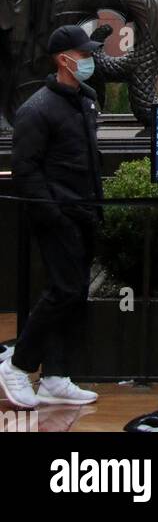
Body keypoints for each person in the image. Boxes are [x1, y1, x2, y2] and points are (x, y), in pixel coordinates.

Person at [0, 25, 103, 408]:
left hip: (85, 212)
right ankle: (17, 365)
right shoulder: (37, 109)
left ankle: (56, 376)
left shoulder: (86, 100)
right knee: (63, 290)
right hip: (58, 215)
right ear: (64, 59)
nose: (91, 59)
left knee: (74, 295)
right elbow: (26, 170)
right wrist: (54, 215)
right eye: (85, 54)